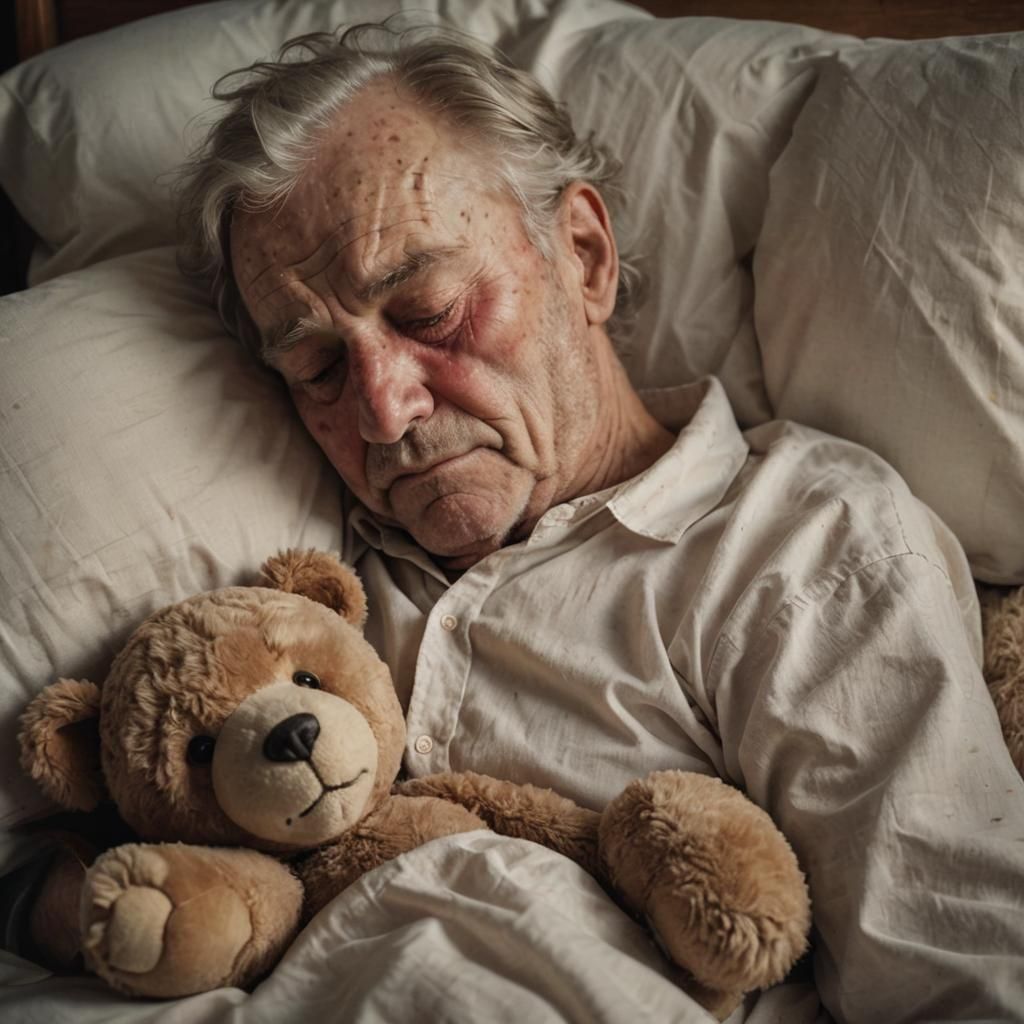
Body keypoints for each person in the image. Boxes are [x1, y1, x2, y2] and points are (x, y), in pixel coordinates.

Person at [178, 21, 1024, 1023]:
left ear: (581, 255)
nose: (382, 410)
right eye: (318, 366)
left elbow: (953, 981)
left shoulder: (797, 541)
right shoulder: (301, 582)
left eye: (428, 309)